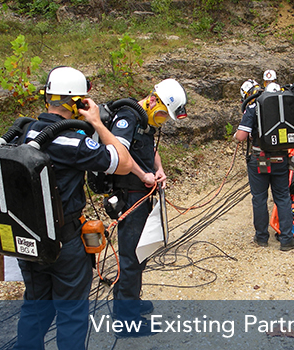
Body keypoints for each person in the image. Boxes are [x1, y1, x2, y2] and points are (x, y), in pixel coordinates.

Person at [13, 67, 133, 350]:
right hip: (65, 242)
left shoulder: (23, 131)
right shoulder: (73, 141)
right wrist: (98, 124)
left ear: (48, 98)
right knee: (71, 312)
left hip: (29, 239)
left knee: (35, 306)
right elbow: (123, 163)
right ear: (77, 101)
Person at [109, 78, 188, 338]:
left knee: (141, 252)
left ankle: (127, 300)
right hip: (130, 195)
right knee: (132, 257)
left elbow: (150, 149)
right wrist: (143, 175)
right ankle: (126, 320)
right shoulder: (128, 116)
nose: (163, 120)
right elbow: (120, 151)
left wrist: (159, 170)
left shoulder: (145, 121)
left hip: (143, 193)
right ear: (153, 99)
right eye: (163, 113)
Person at [234, 80, 294, 251]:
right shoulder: (286, 106)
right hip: (281, 159)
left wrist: (236, 136)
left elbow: (241, 136)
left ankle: (262, 237)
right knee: (283, 197)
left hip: (259, 159)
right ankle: (286, 239)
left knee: (260, 198)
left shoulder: (254, 107)